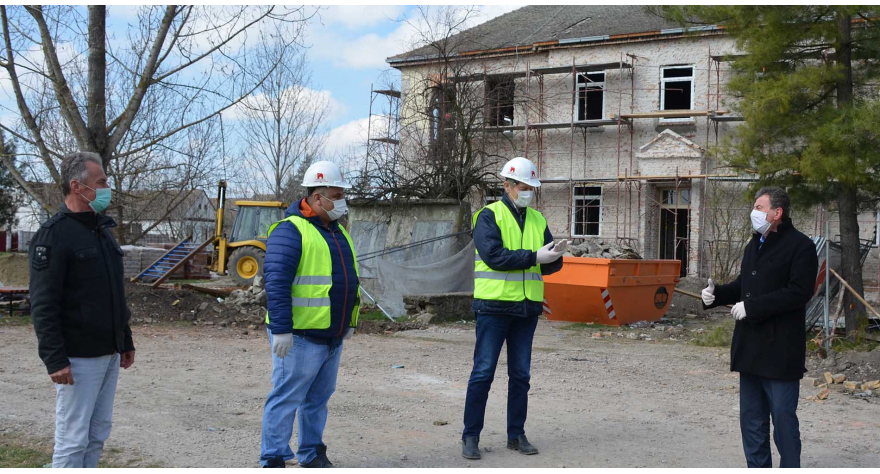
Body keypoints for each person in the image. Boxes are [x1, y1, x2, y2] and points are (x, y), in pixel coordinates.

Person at [29, 151, 135, 468]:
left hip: (109, 352)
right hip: (77, 359)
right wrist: (54, 359)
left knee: (97, 434)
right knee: (73, 440)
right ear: (77, 186)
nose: (107, 187)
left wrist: (124, 340)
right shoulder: (53, 235)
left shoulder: (101, 231)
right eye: (101, 182)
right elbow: (44, 304)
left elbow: (114, 294)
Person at [701, 186, 818, 468]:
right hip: (750, 349)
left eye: (759, 207)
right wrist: (716, 295)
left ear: (777, 213)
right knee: (752, 422)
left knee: (783, 420)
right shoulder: (754, 244)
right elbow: (744, 286)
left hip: (780, 352)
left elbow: (798, 292)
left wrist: (752, 308)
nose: (754, 212)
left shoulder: (800, 246)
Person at [462, 157, 568, 460]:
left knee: (521, 375)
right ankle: (470, 436)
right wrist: (536, 256)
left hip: (526, 309)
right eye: (524, 187)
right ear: (507, 186)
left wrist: (555, 255)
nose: (528, 192)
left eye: (532, 187)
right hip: (493, 307)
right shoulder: (487, 216)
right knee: (483, 373)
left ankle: (516, 434)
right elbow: (494, 256)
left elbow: (546, 263)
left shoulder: (537, 219)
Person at [259, 161, 360, 468]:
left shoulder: (337, 231)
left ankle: (312, 452)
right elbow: (275, 283)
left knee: (317, 400)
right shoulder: (290, 231)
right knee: (287, 397)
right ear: (317, 197)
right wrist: (281, 329)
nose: (341, 201)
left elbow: (347, 280)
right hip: (300, 336)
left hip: (331, 334)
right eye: (336, 194)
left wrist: (349, 322)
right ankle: (273, 457)